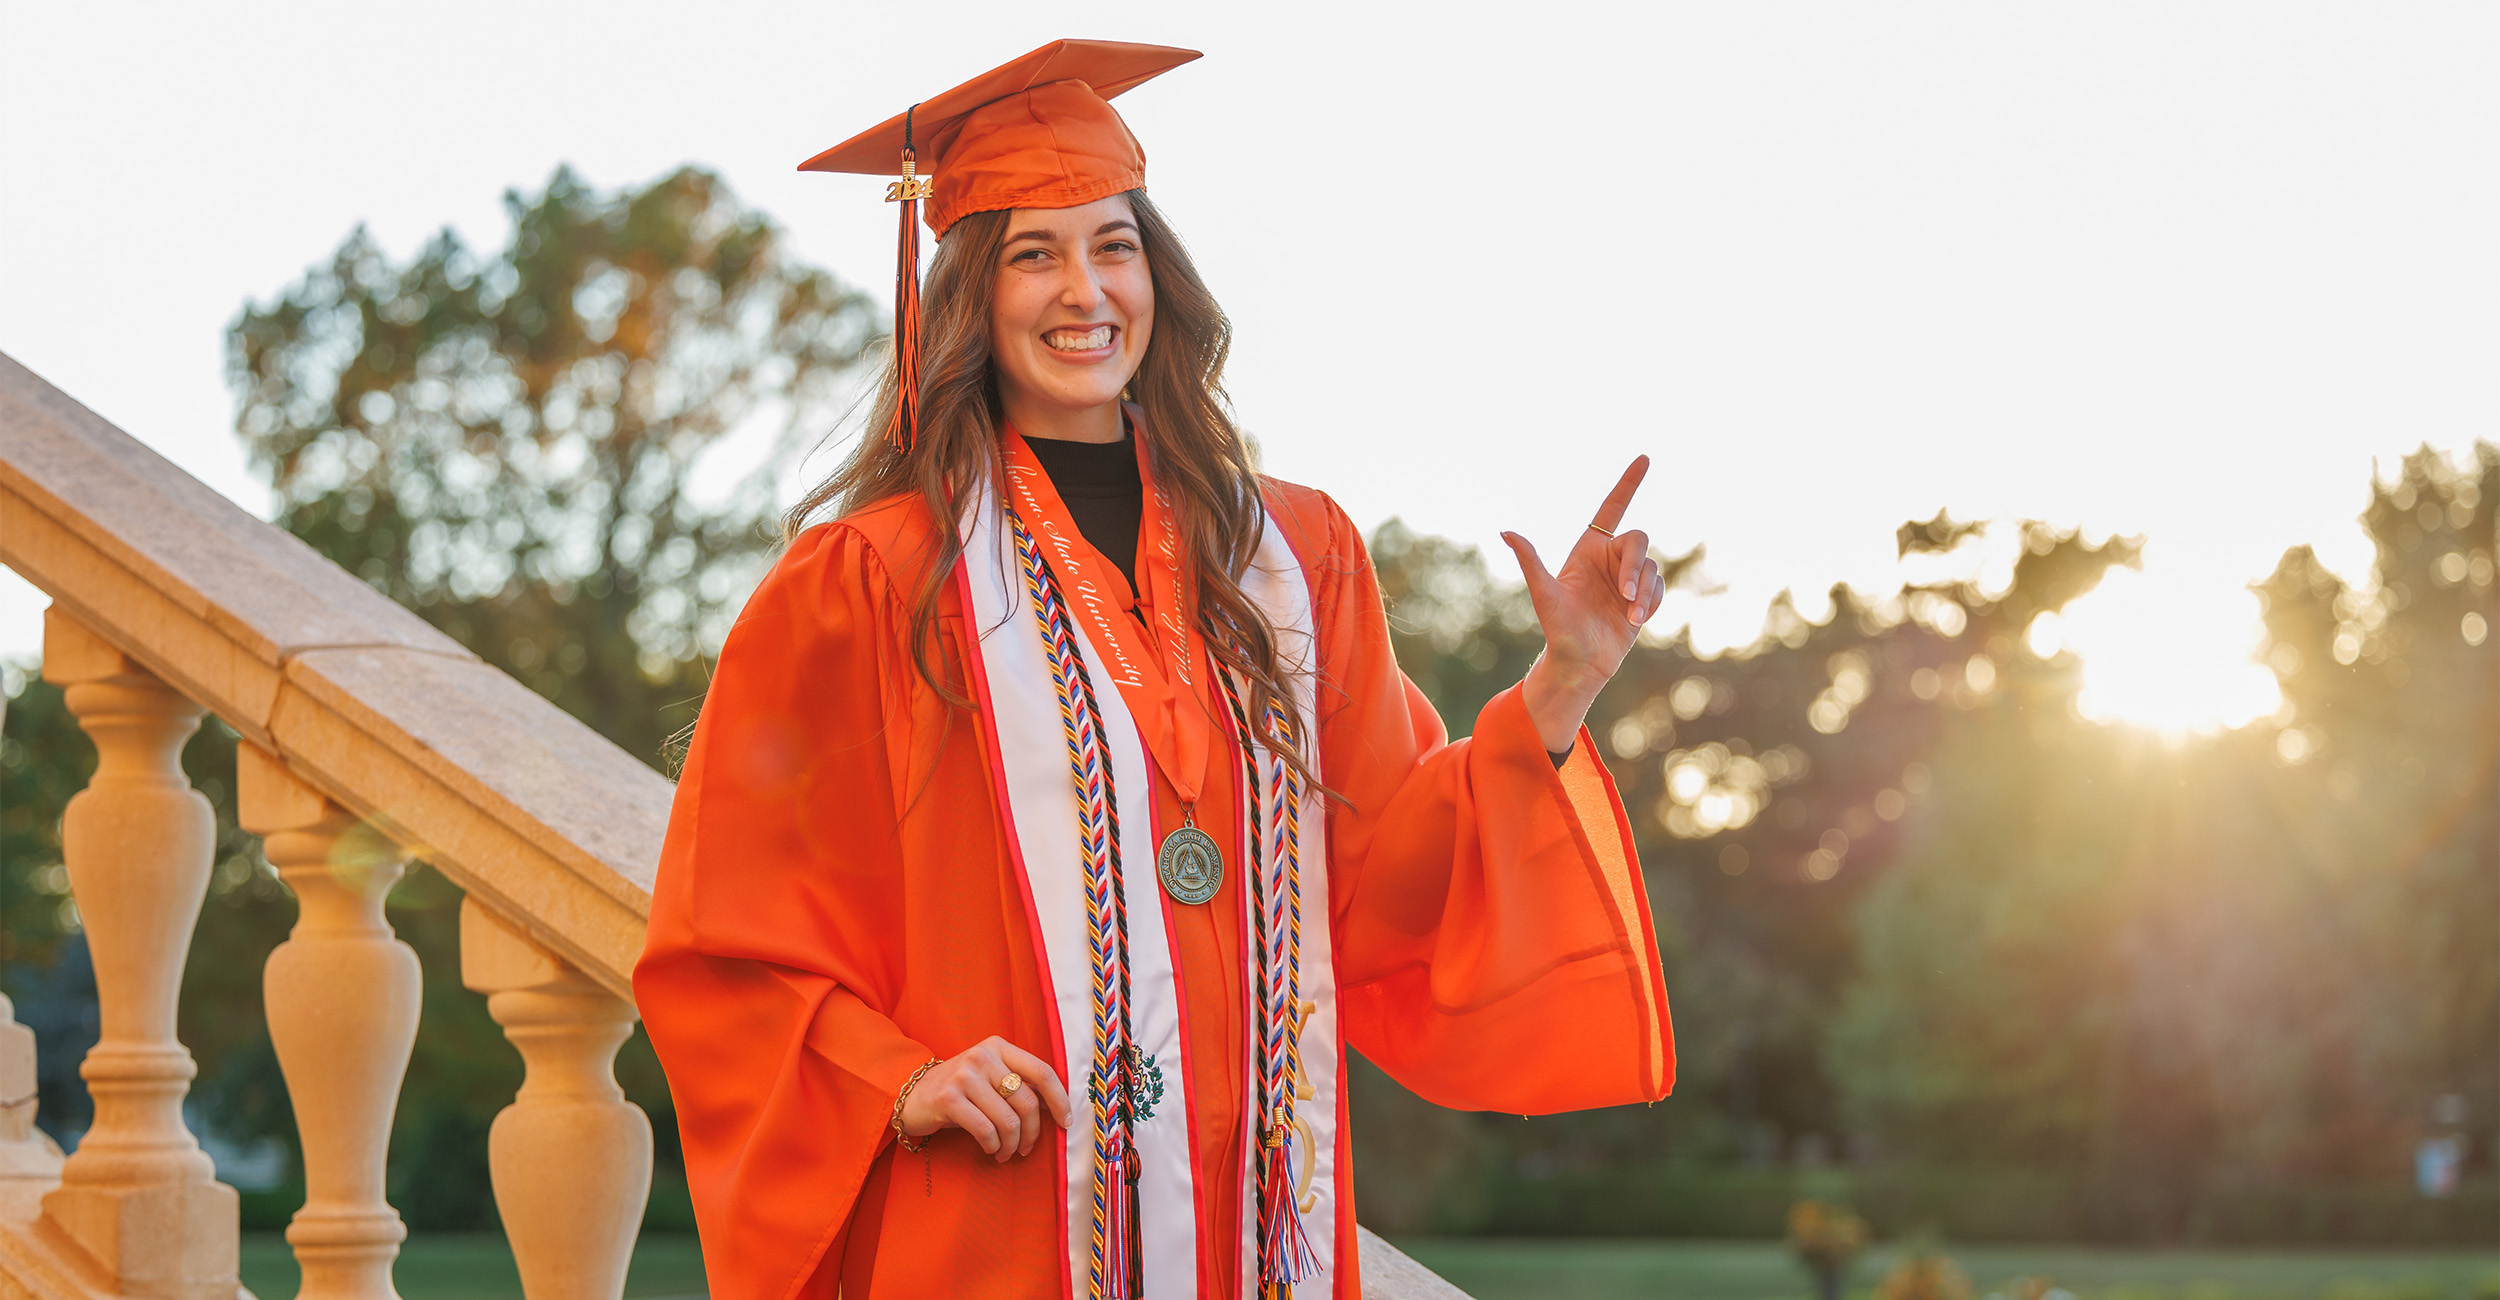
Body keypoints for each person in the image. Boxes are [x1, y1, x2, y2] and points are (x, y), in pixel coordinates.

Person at [634, 38, 1675, 1300]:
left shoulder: (1294, 554)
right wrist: (893, 1077)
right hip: (1005, 1214)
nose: (1084, 289)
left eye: (1111, 244)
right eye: (1034, 252)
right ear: (968, 292)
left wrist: (1561, 682)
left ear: (1157, 274)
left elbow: (1391, 859)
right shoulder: (870, 581)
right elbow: (730, 933)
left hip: (1259, 1225)